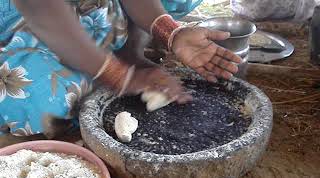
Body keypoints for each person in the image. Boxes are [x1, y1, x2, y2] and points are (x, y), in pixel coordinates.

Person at [0, 0, 241, 139]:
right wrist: (116, 75)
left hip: (80, 9)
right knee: (44, 99)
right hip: (19, 21)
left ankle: (124, 53)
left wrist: (171, 33)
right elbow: (41, 8)